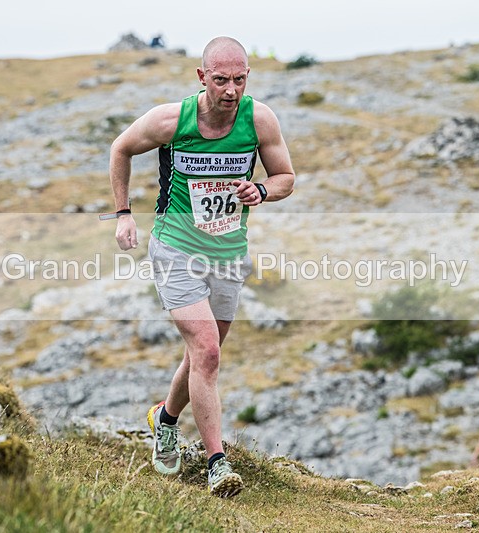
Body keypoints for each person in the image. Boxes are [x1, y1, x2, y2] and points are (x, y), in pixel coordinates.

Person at [109, 36, 295, 498]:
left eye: (239, 79)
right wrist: (123, 213)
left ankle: (165, 419)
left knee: (202, 356)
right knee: (208, 352)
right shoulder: (171, 120)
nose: (231, 90)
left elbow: (286, 177)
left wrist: (263, 191)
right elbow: (120, 149)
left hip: (229, 254)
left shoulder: (259, 119)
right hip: (175, 249)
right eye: (220, 80)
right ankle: (217, 464)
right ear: (201, 77)